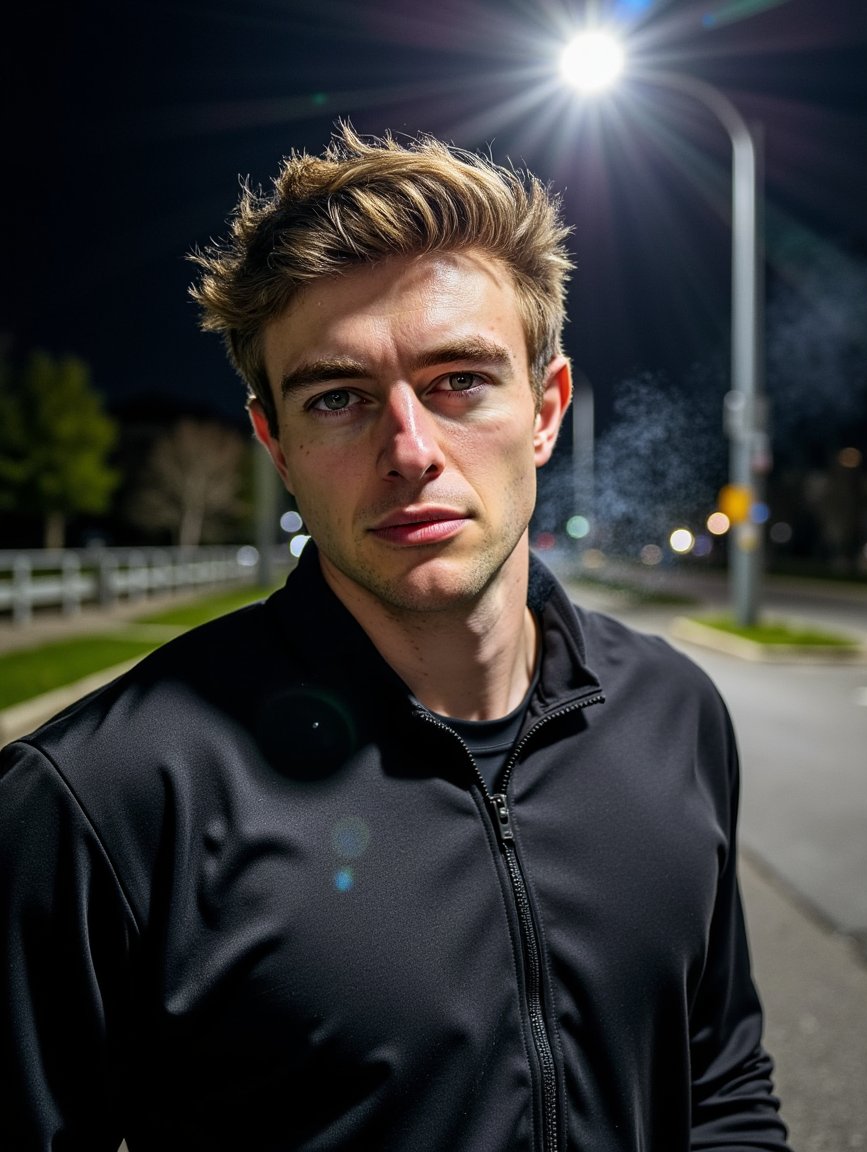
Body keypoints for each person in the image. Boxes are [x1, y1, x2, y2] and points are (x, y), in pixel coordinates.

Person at [0, 123, 791, 1152]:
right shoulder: (101, 801)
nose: (409, 450)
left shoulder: (675, 714)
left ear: (545, 409)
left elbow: (717, 1080)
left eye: (459, 379)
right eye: (338, 398)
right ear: (274, 443)